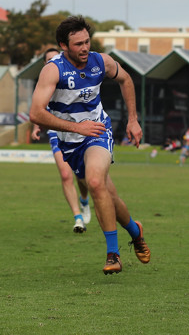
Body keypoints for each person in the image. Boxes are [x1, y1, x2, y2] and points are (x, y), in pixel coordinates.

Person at [29, 16, 151, 274]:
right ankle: (135, 231)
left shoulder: (101, 61)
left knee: (95, 183)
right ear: (64, 45)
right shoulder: (53, 70)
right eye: (78, 44)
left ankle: (113, 255)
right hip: (69, 141)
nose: (84, 48)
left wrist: (133, 120)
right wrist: (76, 127)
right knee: (107, 193)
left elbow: (126, 80)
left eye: (87, 41)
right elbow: (36, 113)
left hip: (98, 131)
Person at [31, 48, 91, 233]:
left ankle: (84, 201)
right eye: (49, 59)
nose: (53, 61)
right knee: (66, 175)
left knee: (81, 176)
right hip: (56, 133)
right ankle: (78, 218)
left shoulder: (70, 76)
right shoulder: (45, 80)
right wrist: (36, 127)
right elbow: (39, 109)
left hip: (78, 132)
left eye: (56, 57)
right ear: (44, 63)